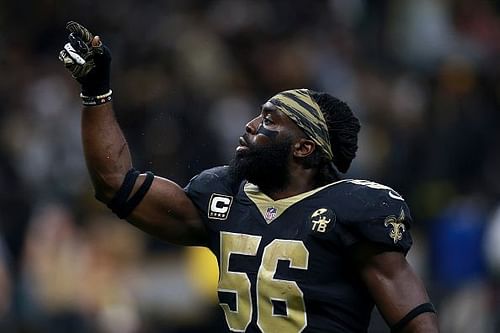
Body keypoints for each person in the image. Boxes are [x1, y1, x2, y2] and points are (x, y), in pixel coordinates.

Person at [58, 22, 439, 333]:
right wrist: (97, 91)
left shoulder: (354, 209)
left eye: (270, 120)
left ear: (304, 147)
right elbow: (116, 184)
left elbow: (414, 322)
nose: (251, 125)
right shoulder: (222, 197)